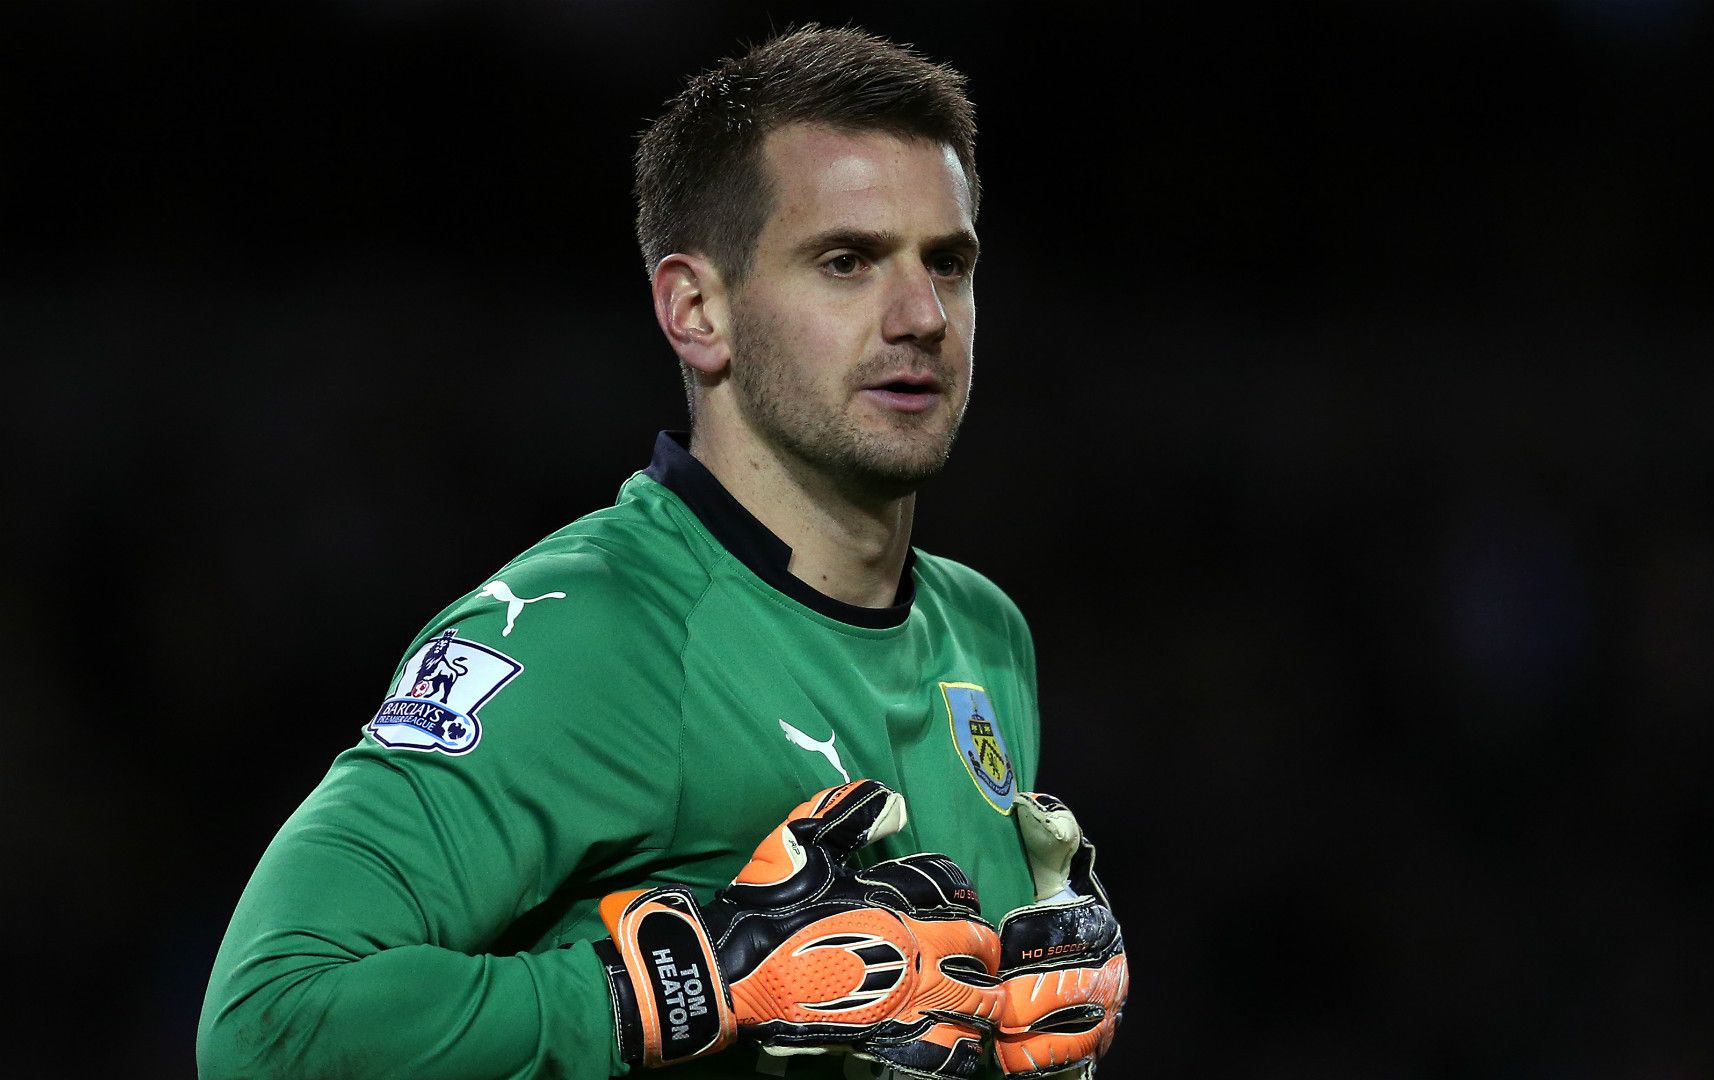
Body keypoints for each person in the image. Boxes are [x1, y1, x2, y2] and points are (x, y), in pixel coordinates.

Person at [198, 26, 1124, 1080]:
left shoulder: (983, 633)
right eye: (846, 261)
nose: (921, 317)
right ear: (696, 310)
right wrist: (689, 984)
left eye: (947, 264)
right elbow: (265, 1024)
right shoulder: (590, 632)